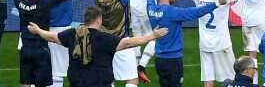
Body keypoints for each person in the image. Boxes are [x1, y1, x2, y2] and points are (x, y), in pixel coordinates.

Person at [25, 6, 168, 87]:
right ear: (99, 20)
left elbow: (52, 37)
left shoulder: (72, 34)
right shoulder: (106, 39)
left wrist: (38, 30)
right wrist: (152, 36)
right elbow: (128, 42)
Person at [7, 0, 96, 87]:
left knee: (26, 83)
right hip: (41, 50)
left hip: (25, 50)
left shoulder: (21, 3)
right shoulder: (44, 4)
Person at [146, 0, 225, 87]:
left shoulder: (151, 10)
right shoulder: (173, 12)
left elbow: (150, 1)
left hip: (160, 60)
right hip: (173, 61)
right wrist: (217, 3)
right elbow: (196, 12)